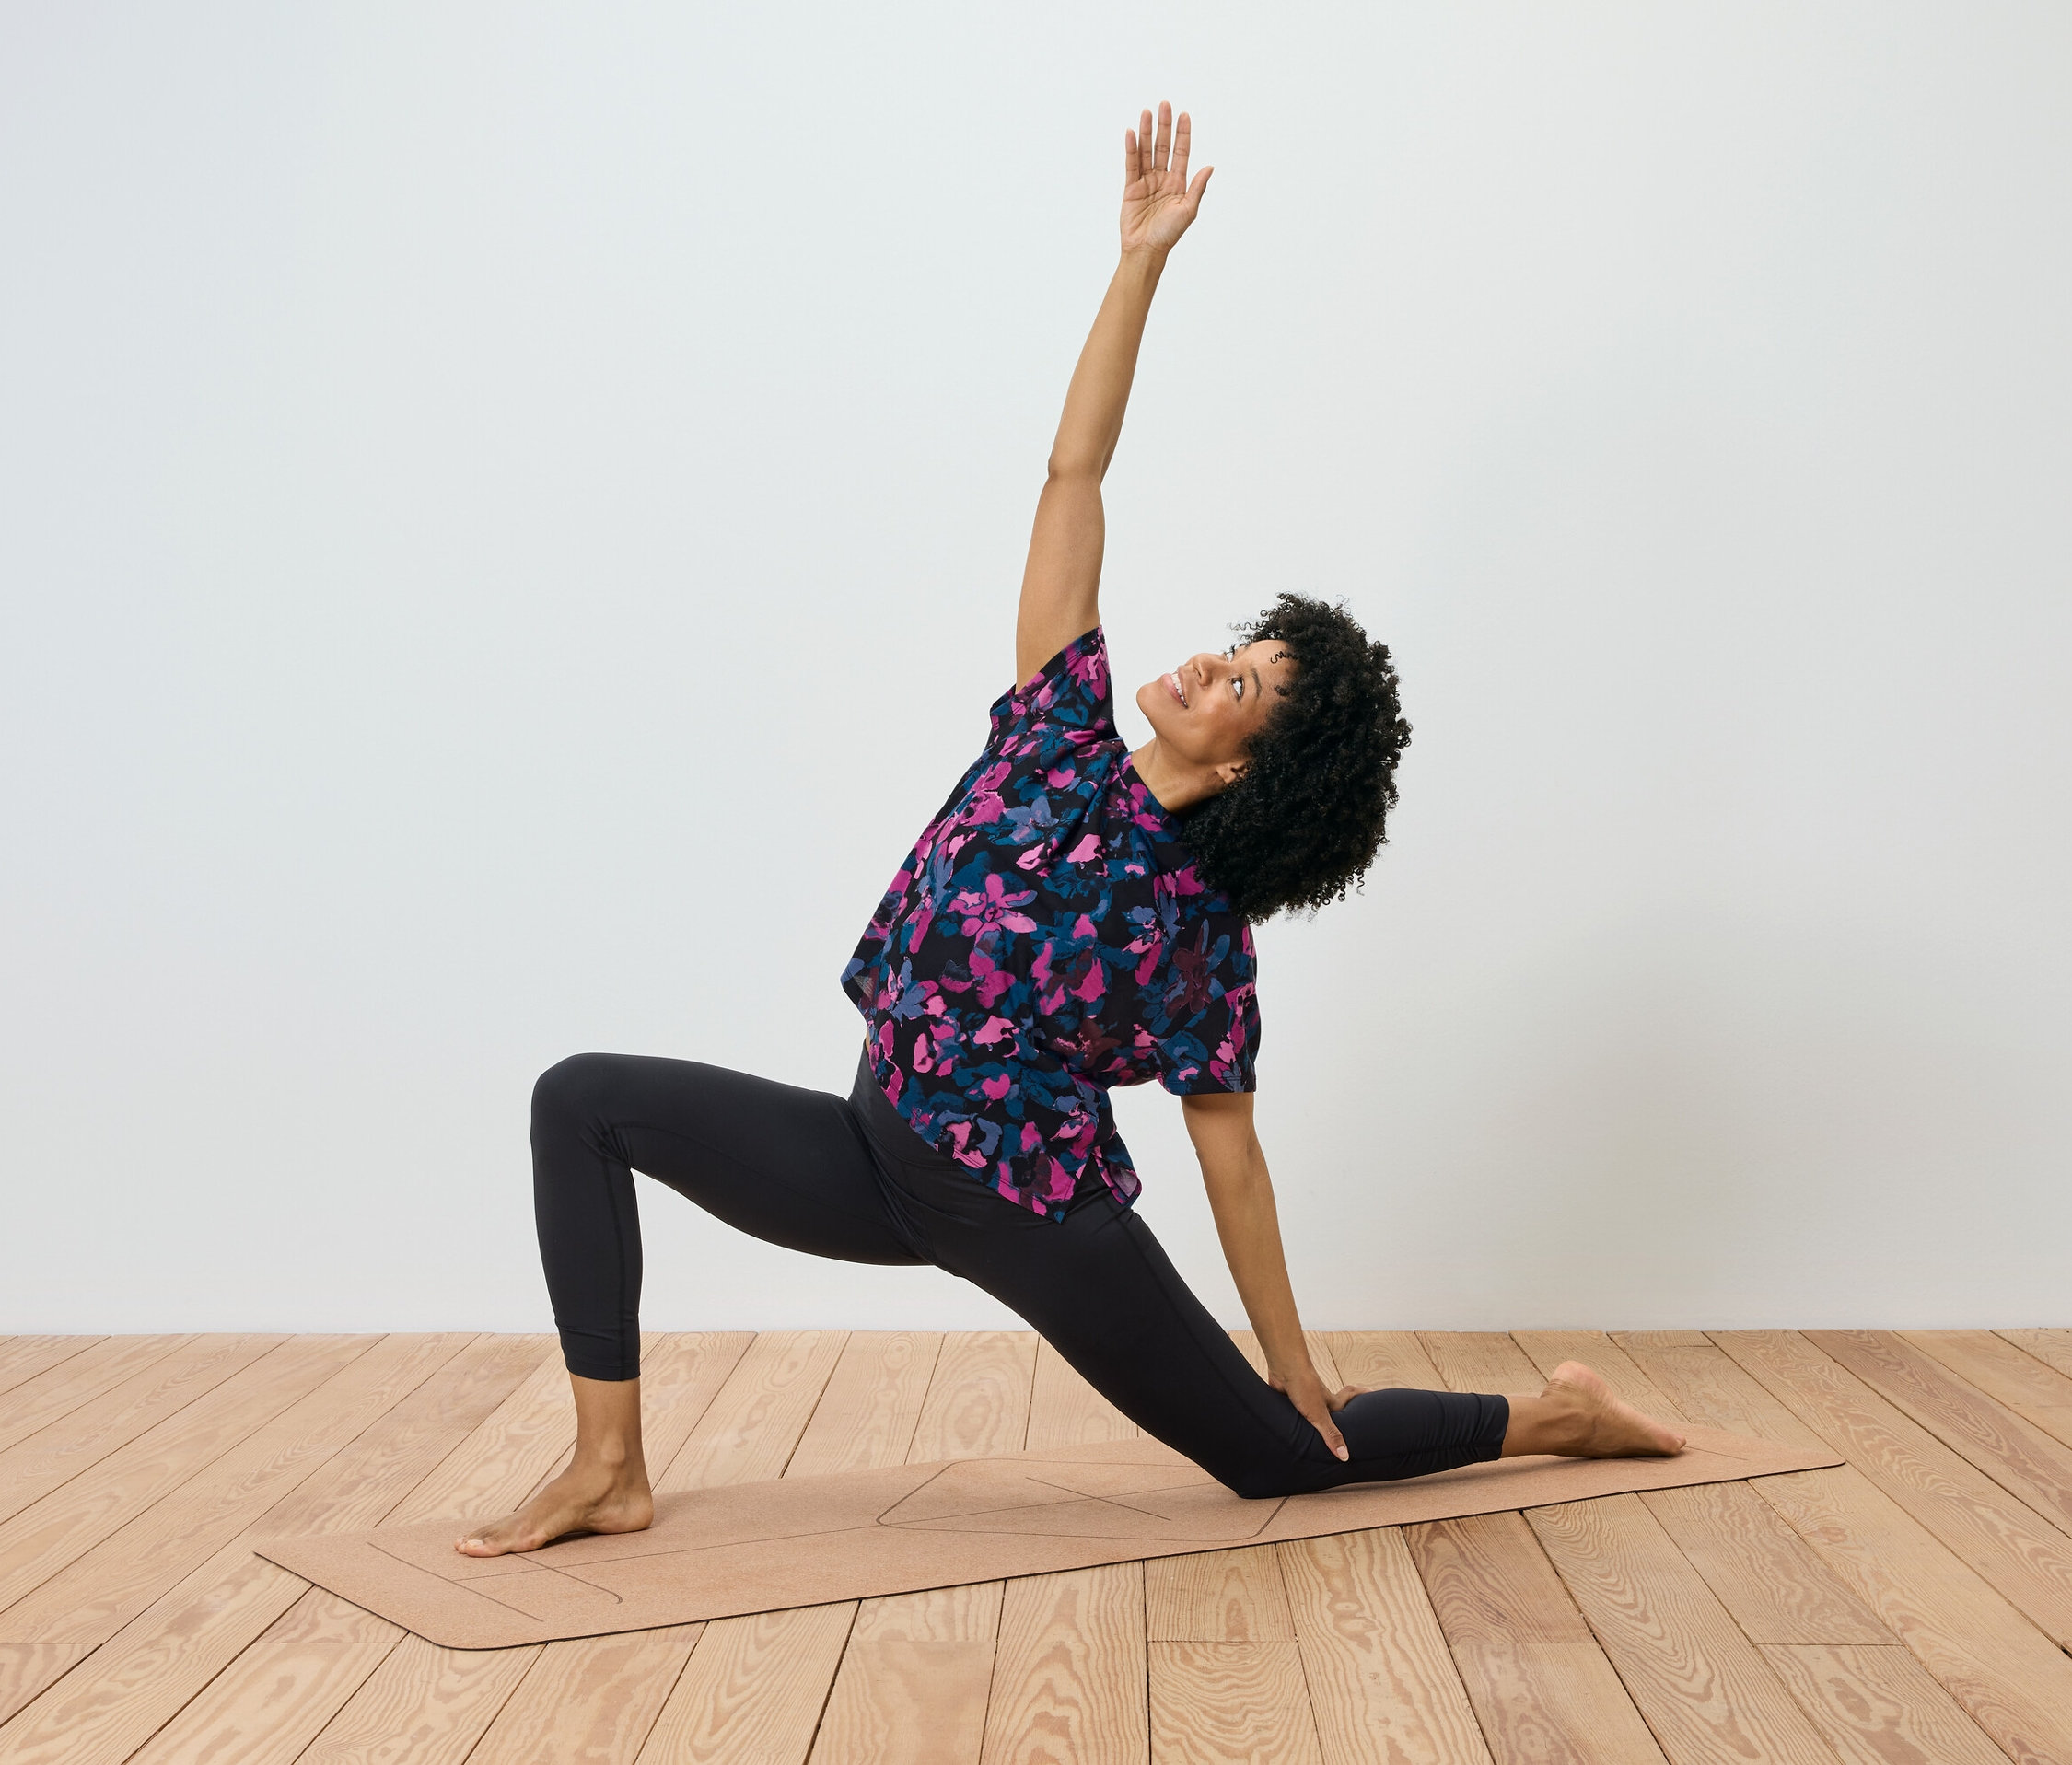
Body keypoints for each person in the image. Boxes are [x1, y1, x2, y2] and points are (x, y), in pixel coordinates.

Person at [459, 100, 1684, 1557]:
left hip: (1027, 1210)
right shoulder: (1057, 725)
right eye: (1235, 646)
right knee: (579, 1097)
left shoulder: (1200, 939)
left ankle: (1549, 1418)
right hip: (879, 1138)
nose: (1206, 664)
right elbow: (1072, 478)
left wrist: (1288, 1350)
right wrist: (1138, 266)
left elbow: (1231, 1155)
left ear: (1250, 772)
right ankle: (608, 1465)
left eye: (1241, 687)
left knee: (1280, 1451)